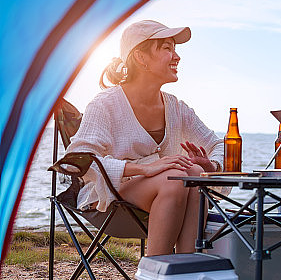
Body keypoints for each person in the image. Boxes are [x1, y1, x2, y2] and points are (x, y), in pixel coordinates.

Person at [66, 20, 225, 256]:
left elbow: (219, 145)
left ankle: (185, 268)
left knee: (193, 174)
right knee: (176, 179)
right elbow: (77, 160)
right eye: (167, 48)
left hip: (167, 194)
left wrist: (211, 165)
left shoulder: (177, 108)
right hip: (109, 202)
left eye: (175, 49)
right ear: (140, 58)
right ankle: (155, 272)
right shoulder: (105, 105)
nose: (177, 56)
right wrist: (143, 169)